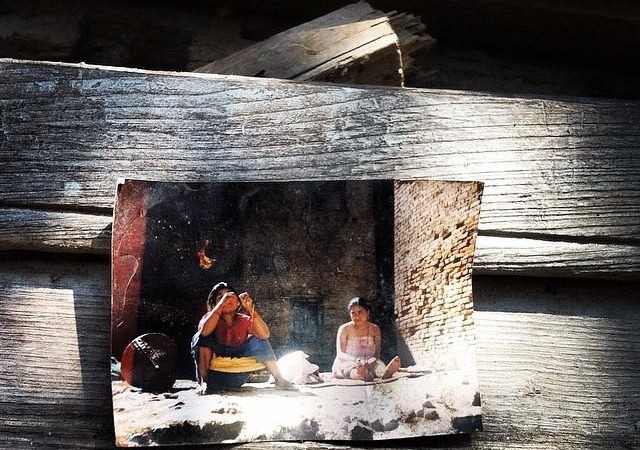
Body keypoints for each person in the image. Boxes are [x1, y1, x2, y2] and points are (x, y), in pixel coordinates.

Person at [191, 282, 294, 393]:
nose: (226, 298)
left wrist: (250, 309)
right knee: (200, 337)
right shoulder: (208, 318)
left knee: (259, 339)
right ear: (214, 303)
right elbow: (204, 332)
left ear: (238, 304)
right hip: (214, 378)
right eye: (220, 296)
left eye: (230, 296)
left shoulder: (244, 320)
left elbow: (265, 335)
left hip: (237, 377)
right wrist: (220, 305)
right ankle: (204, 383)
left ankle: (279, 379)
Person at [332, 297, 401, 381]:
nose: (357, 316)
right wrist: (357, 361)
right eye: (353, 313)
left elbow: (377, 353)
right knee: (347, 368)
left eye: (360, 312)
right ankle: (360, 374)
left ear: (367, 312)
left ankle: (384, 373)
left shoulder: (375, 329)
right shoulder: (344, 329)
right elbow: (340, 353)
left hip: (370, 361)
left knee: (379, 366)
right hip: (349, 361)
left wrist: (371, 361)